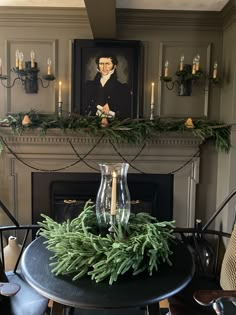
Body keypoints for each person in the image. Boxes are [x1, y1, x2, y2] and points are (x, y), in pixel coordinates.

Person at [84, 53, 132, 119]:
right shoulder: (89, 85)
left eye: (107, 64)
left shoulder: (122, 88)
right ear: (98, 66)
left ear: (114, 66)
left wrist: (111, 105)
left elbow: (125, 110)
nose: (104, 67)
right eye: (101, 64)